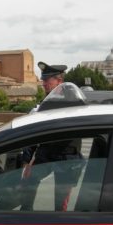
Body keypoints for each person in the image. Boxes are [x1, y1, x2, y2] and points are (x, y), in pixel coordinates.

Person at [20, 61, 83, 211]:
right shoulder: (46, 104)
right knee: (28, 181)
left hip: (67, 157)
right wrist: (27, 161)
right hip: (47, 154)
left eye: (47, 80)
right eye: (43, 80)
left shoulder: (74, 102)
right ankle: (26, 214)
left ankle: (60, 223)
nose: (43, 83)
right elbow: (34, 132)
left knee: (61, 202)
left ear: (59, 81)